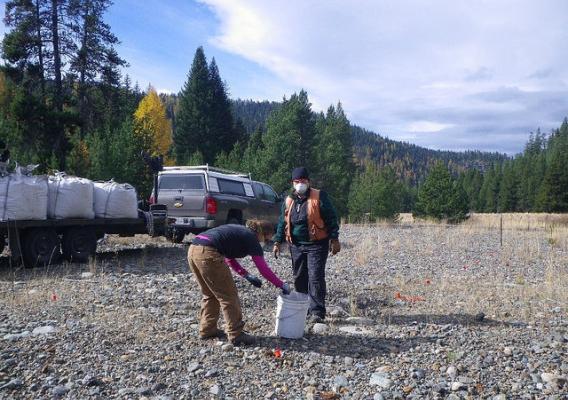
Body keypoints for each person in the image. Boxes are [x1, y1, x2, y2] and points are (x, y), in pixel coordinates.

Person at [188, 220, 290, 346]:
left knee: (210, 294)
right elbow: (264, 270)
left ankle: (208, 329)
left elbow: (229, 257)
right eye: (267, 239)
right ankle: (236, 334)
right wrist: (281, 284)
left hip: (194, 249)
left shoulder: (240, 231)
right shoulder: (251, 238)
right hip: (208, 252)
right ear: (264, 234)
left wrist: (245, 274)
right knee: (229, 296)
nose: (265, 242)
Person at [272, 167, 340, 323]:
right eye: (297, 181)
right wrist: (277, 241)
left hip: (317, 244)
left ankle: (317, 312)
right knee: (299, 278)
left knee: (315, 277)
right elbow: (282, 222)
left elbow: (331, 218)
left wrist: (334, 239)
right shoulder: (289, 200)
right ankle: (303, 309)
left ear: (308, 182)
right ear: (293, 183)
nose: (300, 184)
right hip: (295, 245)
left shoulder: (319, 196)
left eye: (303, 181)